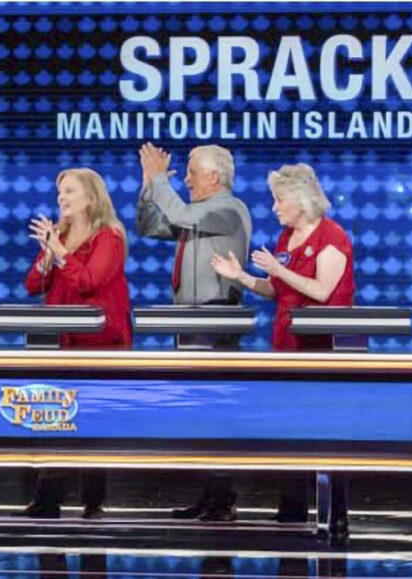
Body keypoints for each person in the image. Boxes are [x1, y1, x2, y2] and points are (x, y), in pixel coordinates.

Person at [211, 163, 355, 526]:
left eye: (279, 199)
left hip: (323, 352)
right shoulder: (284, 240)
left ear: (301, 200)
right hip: (287, 346)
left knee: (324, 433)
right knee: (289, 431)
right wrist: (243, 277)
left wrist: (279, 270)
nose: (274, 207)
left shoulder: (332, 237)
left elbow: (322, 291)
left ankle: (334, 515)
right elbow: (277, 290)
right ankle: (291, 511)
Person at [136, 143, 252, 522]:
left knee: (217, 412)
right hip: (192, 321)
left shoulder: (228, 210)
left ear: (214, 177)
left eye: (192, 172)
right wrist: (146, 185)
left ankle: (223, 498)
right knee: (200, 413)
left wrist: (158, 180)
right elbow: (150, 226)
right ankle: (210, 495)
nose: (184, 179)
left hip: (216, 321)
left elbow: (179, 211)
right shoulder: (196, 215)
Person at [16, 168, 131, 519]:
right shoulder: (60, 234)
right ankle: (48, 498)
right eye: (59, 192)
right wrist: (49, 255)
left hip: (99, 344)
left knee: (91, 422)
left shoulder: (108, 237)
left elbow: (90, 282)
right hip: (60, 342)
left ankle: (93, 501)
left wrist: (60, 253)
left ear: (91, 198)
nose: (61, 198)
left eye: (69, 192)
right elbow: (32, 285)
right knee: (54, 418)